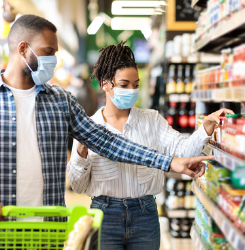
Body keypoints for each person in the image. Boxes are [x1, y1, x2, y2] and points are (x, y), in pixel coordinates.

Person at [0, 15, 214, 222]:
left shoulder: (60, 101)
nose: (53, 61)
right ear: (22, 48)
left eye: (54, 53)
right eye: (47, 52)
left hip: (49, 227)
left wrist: (169, 162)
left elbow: (109, 142)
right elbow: (79, 181)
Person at [67, 41, 233, 250]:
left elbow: (183, 152)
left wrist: (206, 128)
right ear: (105, 84)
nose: (132, 90)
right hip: (104, 215)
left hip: (144, 215)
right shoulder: (89, 128)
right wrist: (81, 153)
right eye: (124, 85)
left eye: (136, 85)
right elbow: (77, 186)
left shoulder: (151, 120)